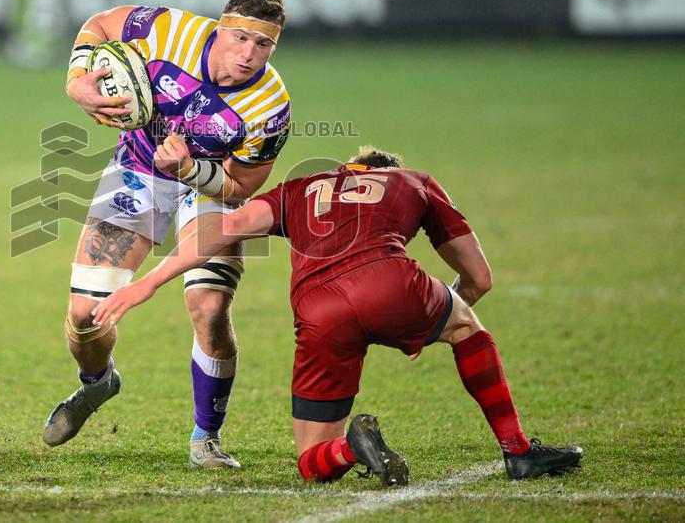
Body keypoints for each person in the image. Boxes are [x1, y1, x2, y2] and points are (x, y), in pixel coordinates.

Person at [92, 147, 583, 485]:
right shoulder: (414, 182)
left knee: (310, 462)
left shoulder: (300, 187)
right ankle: (517, 450)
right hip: (391, 282)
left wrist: (150, 281)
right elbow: (479, 279)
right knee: (466, 328)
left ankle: (351, 448)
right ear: (385, 170)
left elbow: (230, 225)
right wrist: (431, 319)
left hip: (318, 311)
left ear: (350, 167)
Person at [44, 0, 292, 469]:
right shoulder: (170, 31)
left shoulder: (270, 106)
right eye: (240, 38)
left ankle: (206, 437)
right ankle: (98, 384)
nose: (248, 54)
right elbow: (100, 23)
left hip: (207, 187)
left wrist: (190, 172)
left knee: (209, 305)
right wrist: (77, 79)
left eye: (263, 45)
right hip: (138, 171)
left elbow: (241, 186)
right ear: (220, 27)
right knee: (84, 317)